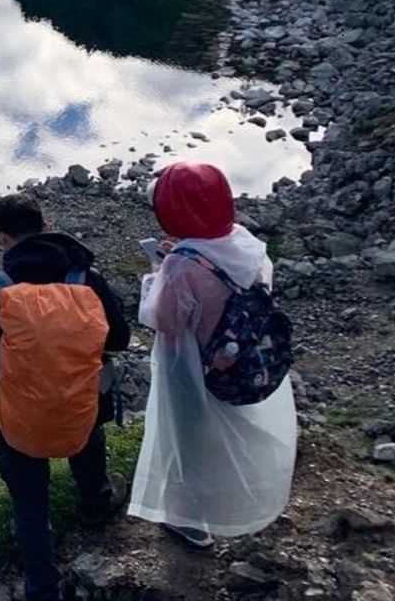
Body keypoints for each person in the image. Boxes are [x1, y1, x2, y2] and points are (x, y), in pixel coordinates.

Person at [0, 194, 130, 601]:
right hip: (79, 401)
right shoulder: (86, 279)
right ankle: (95, 504)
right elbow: (120, 338)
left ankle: (40, 581)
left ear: (2, 237)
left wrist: (13, 369)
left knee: (28, 494)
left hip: (20, 411)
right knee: (87, 434)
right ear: (46, 224)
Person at [129, 162, 296, 547]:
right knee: (230, 429)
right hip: (242, 358)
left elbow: (163, 319)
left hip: (194, 367)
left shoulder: (182, 265)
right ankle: (243, 495)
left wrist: (157, 271)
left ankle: (191, 520)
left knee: (188, 438)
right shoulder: (244, 243)